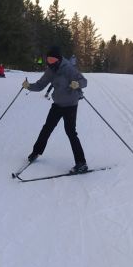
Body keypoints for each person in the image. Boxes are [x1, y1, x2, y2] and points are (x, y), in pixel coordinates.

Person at [22, 46, 88, 174]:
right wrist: (28, 86)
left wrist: (77, 84)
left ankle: (81, 163)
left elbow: (84, 81)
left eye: (52, 60)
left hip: (70, 105)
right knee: (47, 128)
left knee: (70, 132)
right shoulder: (50, 70)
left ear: (58, 59)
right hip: (57, 104)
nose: (49, 62)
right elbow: (40, 85)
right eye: (48, 60)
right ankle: (36, 152)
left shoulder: (69, 69)